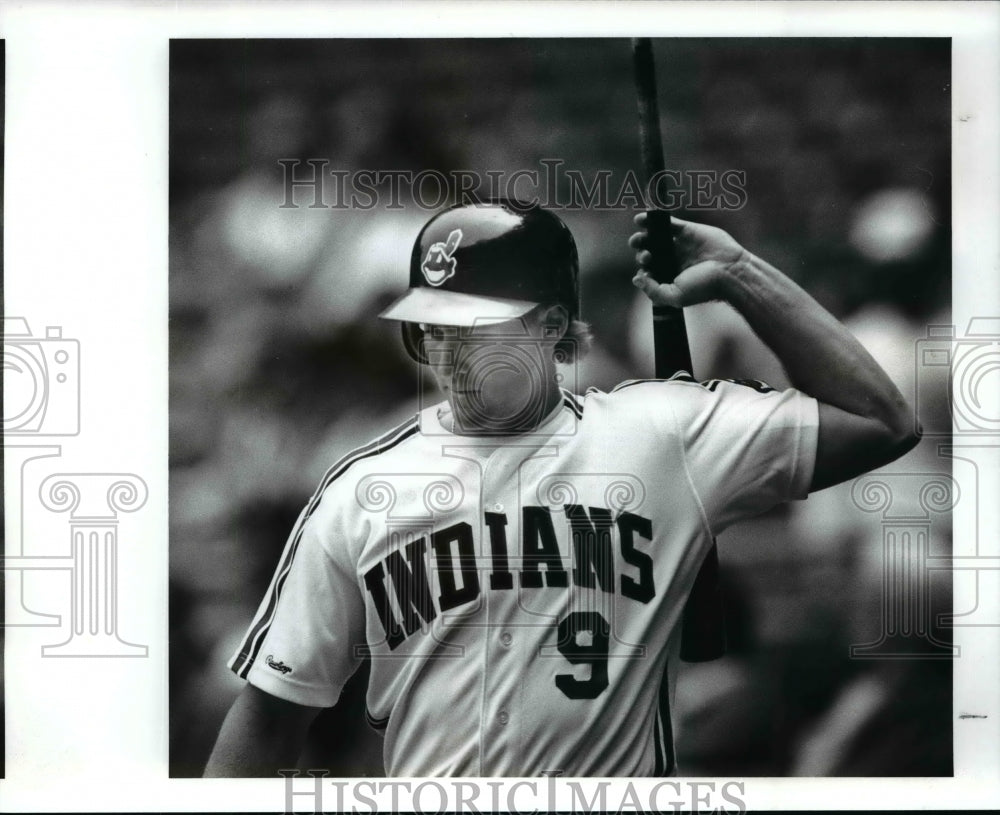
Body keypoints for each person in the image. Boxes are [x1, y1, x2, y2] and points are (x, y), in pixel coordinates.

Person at [204, 198, 919, 777]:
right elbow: (269, 715)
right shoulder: (362, 487)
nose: (449, 353)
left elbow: (882, 421)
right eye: (433, 328)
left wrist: (738, 272)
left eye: (475, 328)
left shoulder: (662, 434)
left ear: (551, 327)